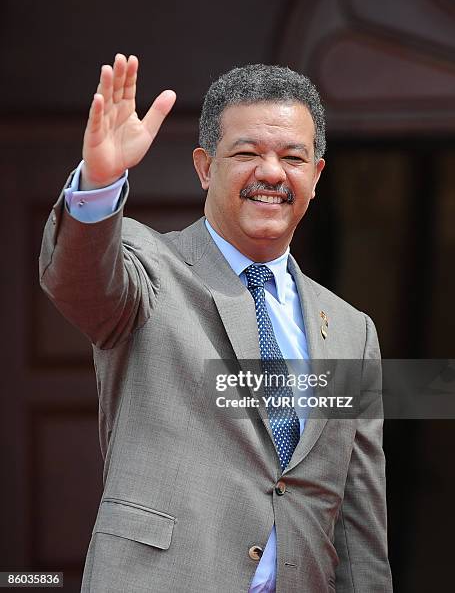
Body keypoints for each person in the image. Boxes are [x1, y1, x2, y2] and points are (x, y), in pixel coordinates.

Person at [39, 54, 393, 592]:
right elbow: (79, 282)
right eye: (247, 152)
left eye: (292, 157)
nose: (271, 173)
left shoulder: (350, 331)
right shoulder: (147, 266)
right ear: (206, 167)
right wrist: (100, 180)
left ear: (316, 176)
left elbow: (357, 526)